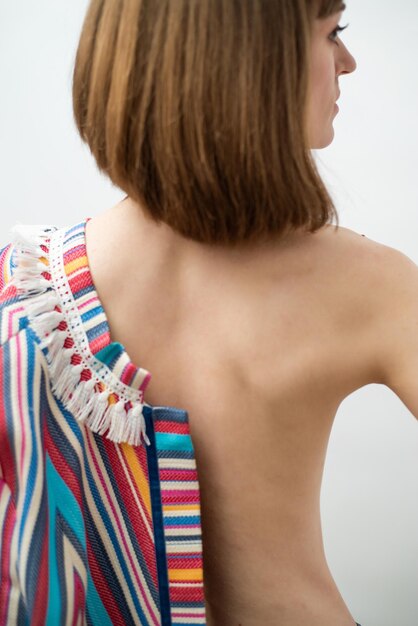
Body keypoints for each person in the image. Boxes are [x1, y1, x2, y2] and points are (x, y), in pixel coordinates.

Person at [2, 0, 417, 624]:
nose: (348, 62)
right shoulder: (375, 287)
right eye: (334, 33)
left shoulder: (25, 286)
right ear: (252, 65)